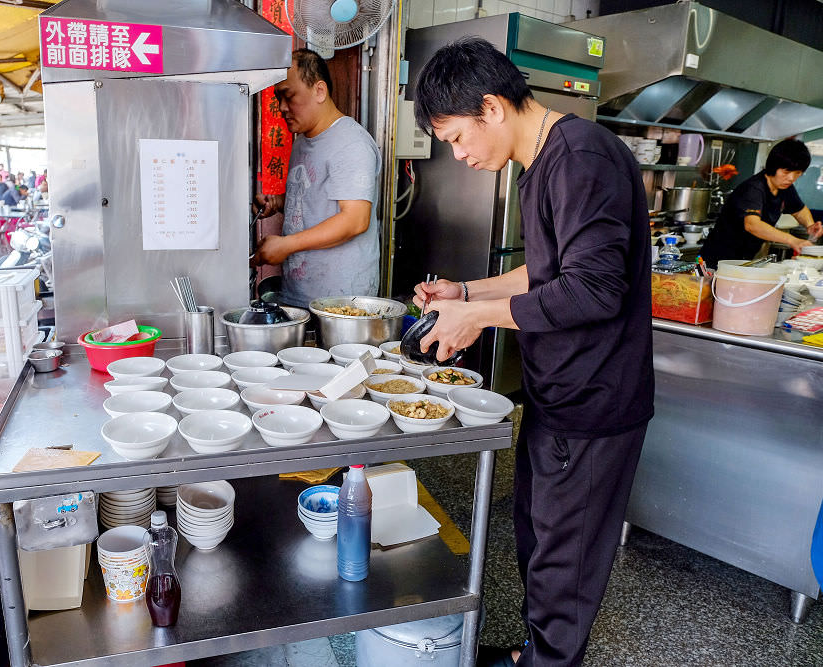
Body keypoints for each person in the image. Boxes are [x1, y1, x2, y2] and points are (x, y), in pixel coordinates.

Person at [411, 38, 654, 666]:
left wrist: (477, 319)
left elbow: (594, 289)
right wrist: (465, 292)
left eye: (459, 137)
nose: (460, 155)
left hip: (594, 402)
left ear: (492, 107)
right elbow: (544, 274)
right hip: (558, 394)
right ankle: (532, 654)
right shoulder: (542, 162)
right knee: (539, 539)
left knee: (563, 563)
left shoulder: (581, 159)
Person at [251, 48, 380, 308]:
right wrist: (278, 203)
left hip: (341, 302)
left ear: (319, 91)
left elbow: (355, 220)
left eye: (289, 96)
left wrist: (286, 245)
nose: (282, 108)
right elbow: (316, 199)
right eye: (278, 98)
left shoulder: (351, 143)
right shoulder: (302, 142)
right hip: (301, 293)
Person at [700, 139, 822, 267]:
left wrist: (810, 225)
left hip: (743, 259)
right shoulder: (754, 188)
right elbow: (752, 225)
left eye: (797, 173)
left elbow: (799, 209)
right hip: (717, 259)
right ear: (774, 166)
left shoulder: (784, 187)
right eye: (786, 172)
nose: (791, 178)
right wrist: (793, 241)